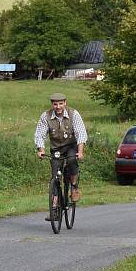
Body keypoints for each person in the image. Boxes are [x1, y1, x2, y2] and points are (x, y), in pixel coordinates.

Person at [34, 92, 88, 220]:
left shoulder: (73, 114)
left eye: (60, 104)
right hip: (56, 149)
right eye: (55, 104)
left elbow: (81, 133)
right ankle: (55, 209)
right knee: (54, 177)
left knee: (71, 161)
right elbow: (40, 135)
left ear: (65, 103)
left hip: (71, 146)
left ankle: (74, 187)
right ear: (52, 104)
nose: (58, 107)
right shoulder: (46, 116)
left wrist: (80, 152)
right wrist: (40, 150)